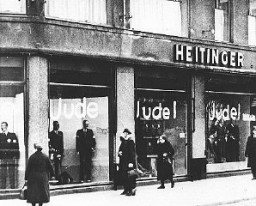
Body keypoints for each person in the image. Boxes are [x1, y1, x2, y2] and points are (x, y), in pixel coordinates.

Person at [0, 122, 20, 189]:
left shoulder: (12, 135)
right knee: (3, 172)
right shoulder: (0, 135)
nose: (3, 127)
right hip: (2, 157)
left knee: (11, 172)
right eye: (1, 126)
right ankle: (2, 187)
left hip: (11, 156)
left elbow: (16, 146)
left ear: (7, 126)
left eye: (4, 126)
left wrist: (16, 156)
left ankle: (13, 186)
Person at [118, 128, 136, 196]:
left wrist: (131, 162)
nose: (124, 134)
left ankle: (131, 190)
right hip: (123, 162)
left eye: (125, 133)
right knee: (124, 176)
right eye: (124, 133)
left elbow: (132, 153)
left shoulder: (130, 142)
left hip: (129, 162)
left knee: (130, 176)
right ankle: (126, 189)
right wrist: (119, 153)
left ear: (128, 134)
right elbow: (120, 150)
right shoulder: (123, 142)